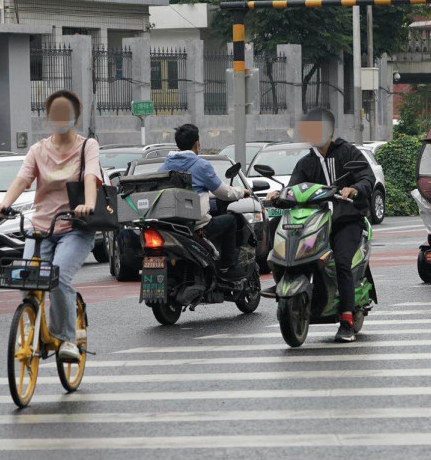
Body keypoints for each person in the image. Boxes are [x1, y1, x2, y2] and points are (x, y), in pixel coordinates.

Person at [0, 90, 100, 363]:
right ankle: (34, 327)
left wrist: (87, 203)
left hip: (74, 227)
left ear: (74, 116)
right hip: (40, 229)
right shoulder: (38, 150)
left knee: (58, 278)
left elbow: (90, 177)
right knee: (26, 281)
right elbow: (22, 179)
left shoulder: (88, 146)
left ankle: (67, 339)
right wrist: (4, 202)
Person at [268, 108, 375, 343]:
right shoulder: (306, 162)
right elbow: (295, 186)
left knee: (342, 262)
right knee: (278, 231)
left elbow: (367, 178)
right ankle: (286, 283)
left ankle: (346, 319)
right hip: (314, 220)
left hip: (345, 219)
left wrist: (355, 189)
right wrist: (280, 194)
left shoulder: (348, 152)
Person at [159, 124, 252, 279]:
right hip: (197, 225)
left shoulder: (164, 166)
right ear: (197, 144)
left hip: (171, 225)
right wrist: (243, 191)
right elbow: (224, 193)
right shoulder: (201, 165)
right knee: (230, 221)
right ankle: (226, 267)